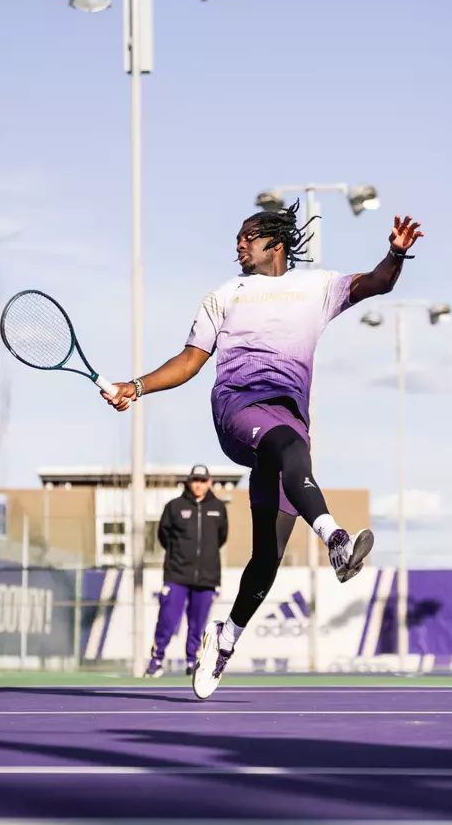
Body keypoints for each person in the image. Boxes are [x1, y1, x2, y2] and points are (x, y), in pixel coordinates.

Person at [104, 204, 423, 698]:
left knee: (267, 556)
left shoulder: (317, 288)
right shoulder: (225, 296)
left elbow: (378, 282)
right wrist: (137, 386)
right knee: (286, 444)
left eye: (246, 237)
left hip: (291, 421)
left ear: (274, 242)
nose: (238, 245)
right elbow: (190, 361)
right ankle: (336, 540)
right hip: (239, 409)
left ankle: (225, 640)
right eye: (237, 238)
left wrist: (395, 253)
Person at [145, 464, 228, 678]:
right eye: (195, 480)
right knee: (168, 619)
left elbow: (221, 537)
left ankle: (193, 661)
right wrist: (181, 556)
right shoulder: (173, 507)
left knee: (198, 623)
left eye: (202, 480)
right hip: (177, 574)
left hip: (207, 577)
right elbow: (164, 536)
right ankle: (157, 660)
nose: (198, 485)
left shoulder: (218, 507)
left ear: (209, 482)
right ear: (189, 482)